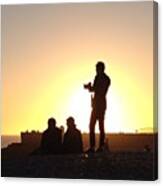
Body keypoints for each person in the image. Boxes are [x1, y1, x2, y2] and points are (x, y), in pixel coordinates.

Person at [84, 61, 111, 153]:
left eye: (97, 68)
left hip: (101, 105)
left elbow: (101, 90)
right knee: (91, 125)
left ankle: (101, 146)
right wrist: (89, 88)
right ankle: (92, 146)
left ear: (101, 69)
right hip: (95, 105)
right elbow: (95, 89)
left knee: (100, 126)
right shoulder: (97, 77)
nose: (96, 70)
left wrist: (92, 88)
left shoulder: (106, 79)